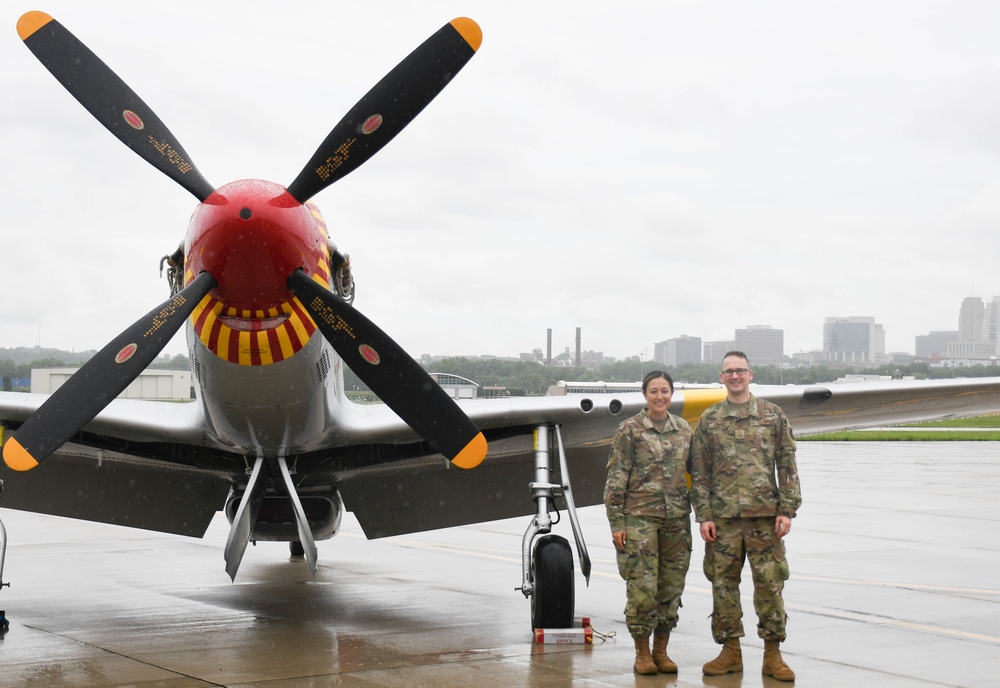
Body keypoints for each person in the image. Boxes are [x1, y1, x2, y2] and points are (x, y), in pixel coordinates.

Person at [690, 351, 801, 682]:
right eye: (728, 372)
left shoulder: (773, 416)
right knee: (723, 586)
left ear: (750, 374)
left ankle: (773, 654)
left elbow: (787, 464)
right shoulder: (710, 420)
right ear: (721, 378)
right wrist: (704, 515)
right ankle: (730, 652)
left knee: (770, 585)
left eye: (740, 371)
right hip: (722, 521)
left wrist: (787, 508)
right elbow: (700, 472)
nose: (735, 376)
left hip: (764, 519)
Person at [604, 370, 693, 675]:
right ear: (645, 395)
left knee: (671, 587)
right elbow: (617, 476)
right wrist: (617, 521)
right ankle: (642, 652)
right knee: (642, 588)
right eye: (654, 391)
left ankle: (661, 650)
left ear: (671, 393)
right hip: (639, 517)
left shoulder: (683, 429)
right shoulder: (630, 430)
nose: (659, 397)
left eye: (665, 391)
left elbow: (697, 473)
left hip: (676, 519)